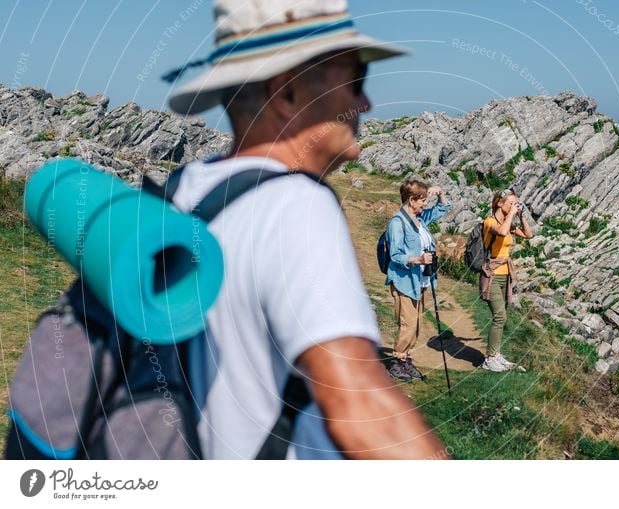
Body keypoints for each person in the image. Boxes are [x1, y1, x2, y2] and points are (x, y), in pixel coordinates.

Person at [164, 0, 447, 459]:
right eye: (355, 80)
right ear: (288, 92)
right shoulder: (293, 204)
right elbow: (357, 403)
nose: (365, 102)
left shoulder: (187, 188)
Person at [384, 179, 450, 382]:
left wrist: (439, 194)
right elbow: (395, 255)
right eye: (422, 200)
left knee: (417, 323)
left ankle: (407, 359)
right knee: (408, 323)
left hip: (420, 280)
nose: (425, 204)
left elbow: (443, 208)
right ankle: (397, 361)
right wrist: (418, 259)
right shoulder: (397, 223)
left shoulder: (420, 220)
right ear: (411, 200)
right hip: (405, 280)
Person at [480, 188, 533, 372]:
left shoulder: (508, 223)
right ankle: (489, 359)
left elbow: (528, 235)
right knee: (499, 316)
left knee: (502, 316)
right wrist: (511, 214)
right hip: (492, 275)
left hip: (505, 275)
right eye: (510, 202)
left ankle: (496, 354)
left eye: (515, 203)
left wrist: (521, 216)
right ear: (499, 203)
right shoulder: (489, 222)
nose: (514, 205)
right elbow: (501, 233)